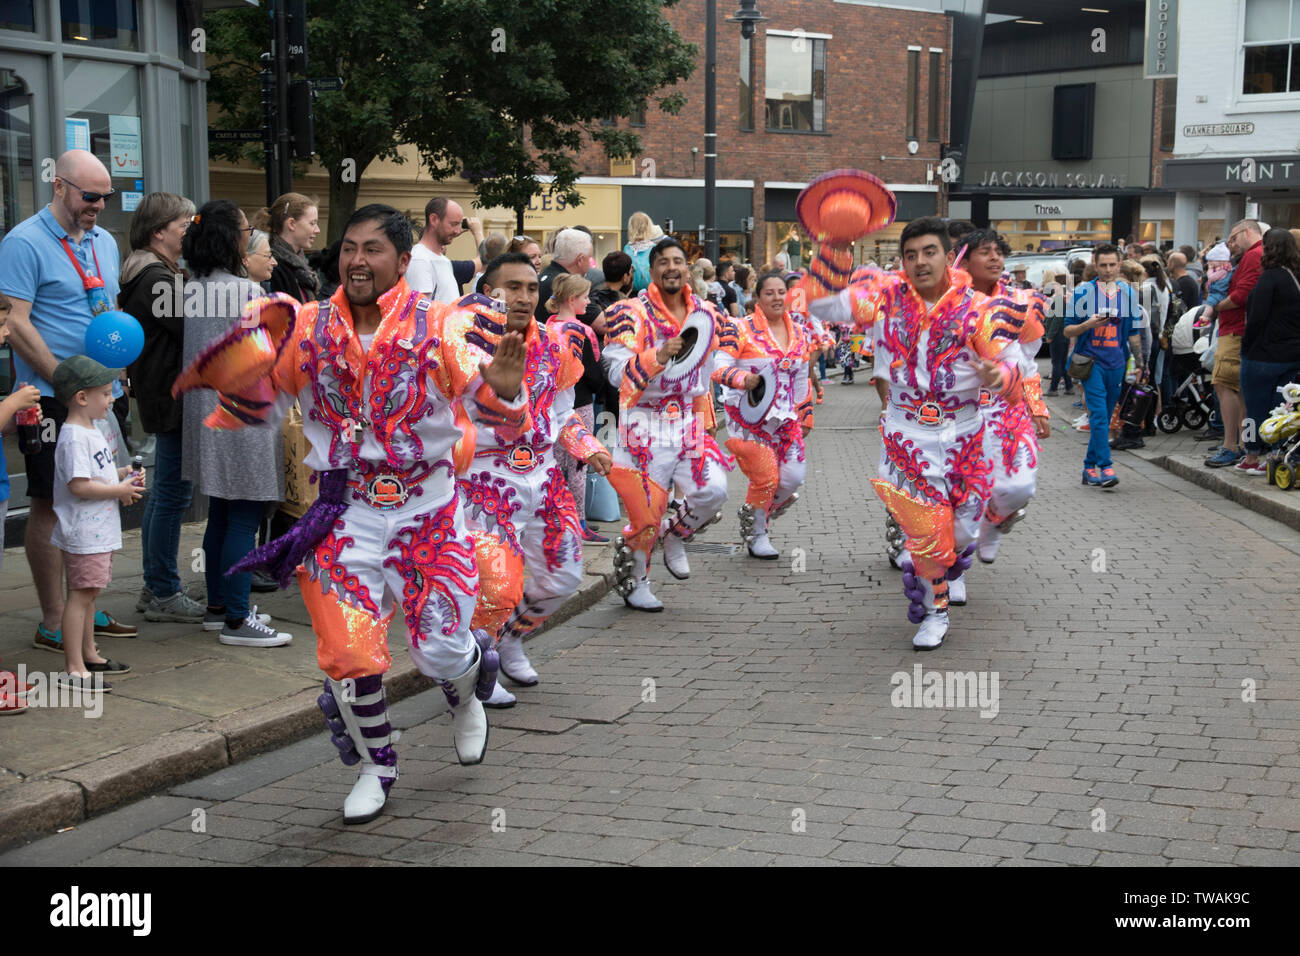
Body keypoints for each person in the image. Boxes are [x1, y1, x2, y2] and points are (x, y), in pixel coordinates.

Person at [179, 204, 530, 824]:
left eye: (372, 249)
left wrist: (503, 388)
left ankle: (467, 687)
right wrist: (237, 376)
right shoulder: (307, 326)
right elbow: (261, 390)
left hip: (428, 512)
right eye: (348, 248)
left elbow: (495, 404)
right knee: (347, 653)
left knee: (441, 651)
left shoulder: (442, 325)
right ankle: (377, 765)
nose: (357, 260)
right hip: (347, 512)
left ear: (401, 260)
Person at [807, 215, 1027, 650]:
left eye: (930, 252)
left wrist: (997, 374)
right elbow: (822, 305)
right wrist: (834, 245)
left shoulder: (979, 310)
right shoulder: (885, 300)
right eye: (911, 255)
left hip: (964, 435)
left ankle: (949, 558)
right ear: (902, 261)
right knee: (926, 533)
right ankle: (934, 612)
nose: (920, 262)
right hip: (907, 437)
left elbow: (1014, 367)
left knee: (961, 529)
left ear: (949, 255)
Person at [456, 254, 612, 708]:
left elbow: (561, 412)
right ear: (488, 290)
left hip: (542, 477)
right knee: (497, 587)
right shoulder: (459, 339)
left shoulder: (551, 343)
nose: (524, 296)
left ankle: (509, 640)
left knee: (563, 577)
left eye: (530, 287)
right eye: (512, 287)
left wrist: (589, 446)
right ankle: (479, 672)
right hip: (484, 480)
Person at [0, 149, 137, 653]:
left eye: (107, 196)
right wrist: (63, 380)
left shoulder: (102, 239)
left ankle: (82, 605)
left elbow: (110, 309)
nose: (99, 205)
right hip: (54, 396)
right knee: (50, 504)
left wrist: (118, 373)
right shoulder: (24, 242)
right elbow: (14, 322)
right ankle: (53, 620)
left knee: (93, 501)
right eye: (90, 195)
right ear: (59, 187)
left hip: (101, 393)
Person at [180, 201, 292, 647]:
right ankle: (237, 619)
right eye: (246, 229)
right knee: (244, 513)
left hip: (205, 408)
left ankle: (219, 605)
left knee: (222, 513)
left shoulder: (194, 287)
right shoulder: (245, 292)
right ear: (232, 238)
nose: (250, 236)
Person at [602, 237, 732, 612]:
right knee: (645, 515)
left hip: (687, 421)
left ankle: (675, 534)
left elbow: (706, 370)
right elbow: (613, 370)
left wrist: (707, 420)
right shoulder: (629, 312)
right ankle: (637, 580)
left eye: (679, 260)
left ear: (687, 268)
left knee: (714, 489)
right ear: (652, 270)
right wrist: (655, 356)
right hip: (643, 423)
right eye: (664, 262)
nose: (672, 267)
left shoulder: (706, 313)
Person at [118, 191, 207, 624]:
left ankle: (156, 585)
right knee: (173, 495)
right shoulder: (156, 280)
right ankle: (166, 590)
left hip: (162, 395)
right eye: (184, 225)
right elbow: (194, 326)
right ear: (159, 232)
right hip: (171, 399)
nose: (191, 232)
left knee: (165, 495)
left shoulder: (152, 273)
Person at [50, 356, 143, 692]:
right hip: (85, 531)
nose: (113, 398)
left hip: (98, 531)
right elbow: (78, 485)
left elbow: (94, 474)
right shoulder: (75, 436)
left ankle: (89, 654)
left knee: (89, 596)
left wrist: (122, 475)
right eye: (105, 393)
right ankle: (74, 668)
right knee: (80, 596)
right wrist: (119, 490)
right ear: (81, 397)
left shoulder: (90, 431)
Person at [960, 229, 1050, 567]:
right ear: (964, 260)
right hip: (960, 413)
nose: (995, 257)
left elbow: (1027, 364)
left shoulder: (1020, 303)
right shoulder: (950, 304)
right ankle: (954, 572)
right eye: (985, 252)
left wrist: (1037, 406)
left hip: (1006, 412)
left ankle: (994, 521)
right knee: (964, 495)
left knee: (1019, 487)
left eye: (999, 251)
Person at [711, 271, 813, 559]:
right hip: (749, 419)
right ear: (757, 297)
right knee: (766, 478)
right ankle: (758, 532)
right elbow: (718, 368)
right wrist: (744, 379)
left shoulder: (800, 332)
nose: (777, 298)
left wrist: (805, 414)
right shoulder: (739, 328)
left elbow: (802, 376)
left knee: (792, 478)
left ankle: (756, 512)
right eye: (769, 293)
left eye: (782, 292)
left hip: (785, 419)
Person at [1065, 244, 1144, 488]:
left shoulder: (1128, 293)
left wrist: (1140, 363)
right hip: (1091, 362)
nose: (1108, 270)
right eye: (1103, 265)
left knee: (1106, 418)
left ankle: (1089, 468)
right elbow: (1068, 329)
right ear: (1095, 265)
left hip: (1117, 363)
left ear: (1119, 264)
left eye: (1112, 265)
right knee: (1099, 416)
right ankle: (1106, 467)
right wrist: (1087, 325)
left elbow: (1132, 333)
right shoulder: (1083, 292)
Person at [545, 273, 610, 543]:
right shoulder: (582, 331)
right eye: (584, 297)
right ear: (572, 300)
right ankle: (579, 522)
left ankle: (554, 520)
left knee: (555, 465)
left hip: (551, 404)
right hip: (578, 403)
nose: (588, 301)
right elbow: (594, 373)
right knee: (579, 466)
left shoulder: (546, 325)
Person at [1201, 220, 1264, 468]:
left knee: (1225, 384)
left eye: (1233, 240)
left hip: (1235, 331)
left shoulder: (1253, 255)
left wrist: (1216, 305)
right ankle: (1243, 447)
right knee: (1238, 390)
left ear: (1246, 232)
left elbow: (1242, 294)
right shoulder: (1255, 255)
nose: (1231, 246)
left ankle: (1232, 445)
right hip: (1237, 331)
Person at [1237, 227, 1300, 475]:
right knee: (1282, 409)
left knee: (1253, 409)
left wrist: (1246, 345)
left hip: (1262, 356)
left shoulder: (1269, 278)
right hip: (1293, 356)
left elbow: (1256, 318)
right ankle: (1278, 454)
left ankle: (1252, 455)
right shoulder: (1295, 278)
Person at [407, 197, 483, 302]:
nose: (457, 231)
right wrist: (478, 232)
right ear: (434, 219)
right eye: (453, 224)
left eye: (459, 224)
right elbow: (419, 311)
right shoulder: (420, 260)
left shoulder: (442, 260)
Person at [253, 192, 321, 303]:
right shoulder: (273, 268)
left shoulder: (300, 266)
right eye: (312, 223)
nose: (317, 230)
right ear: (291, 224)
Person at [536, 228, 594, 325]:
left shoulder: (542, 277)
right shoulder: (569, 285)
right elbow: (601, 323)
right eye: (589, 258)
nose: (590, 264)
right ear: (580, 260)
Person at [1043, 272, 1074, 396]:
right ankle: (1069, 386)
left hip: (1058, 336)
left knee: (1056, 363)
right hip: (1064, 335)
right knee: (1062, 362)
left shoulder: (1059, 300)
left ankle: (1053, 389)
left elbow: (1056, 320)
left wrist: (1050, 335)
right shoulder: (1065, 299)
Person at [623, 212, 657, 293]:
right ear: (648, 227)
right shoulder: (654, 249)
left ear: (631, 228)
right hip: (651, 293)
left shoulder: (627, 249)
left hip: (630, 293)